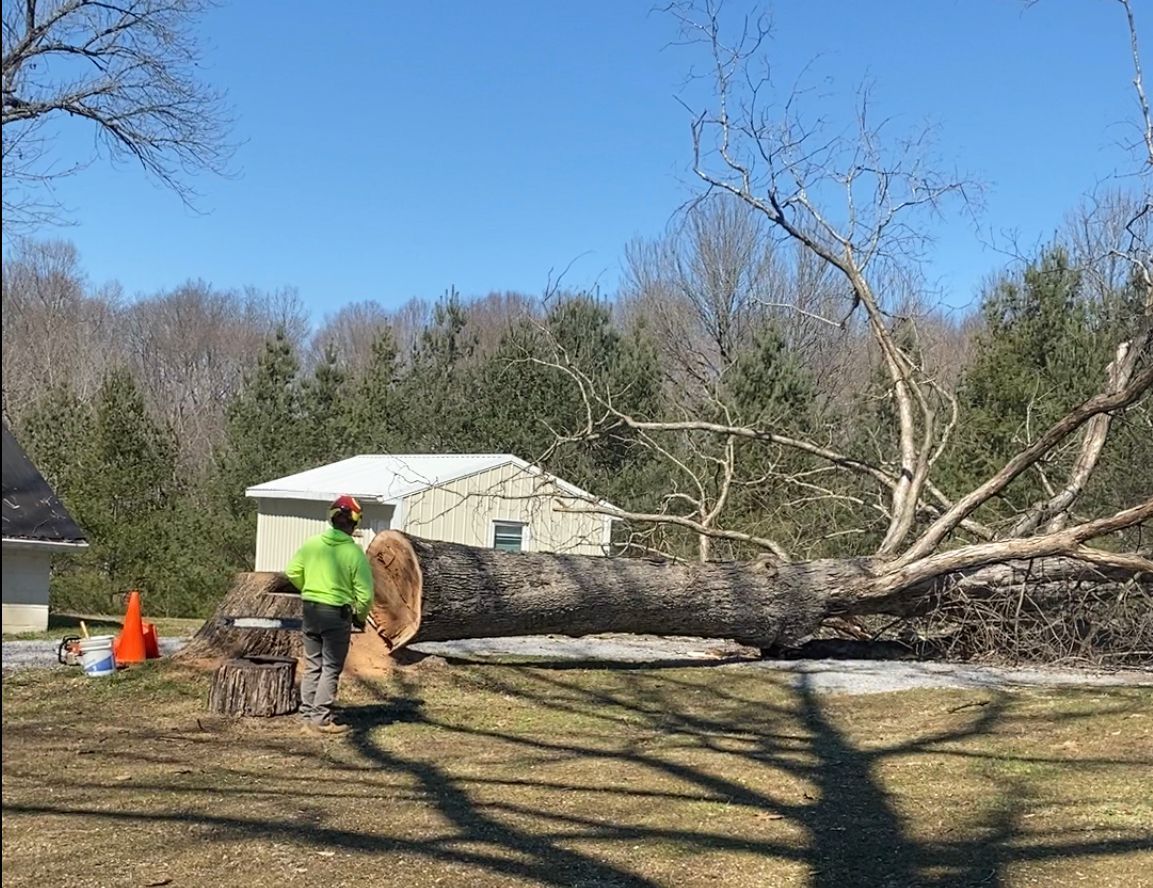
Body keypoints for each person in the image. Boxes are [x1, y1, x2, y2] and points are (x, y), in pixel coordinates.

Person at [285, 494, 374, 734]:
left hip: (311, 611)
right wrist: (360, 616)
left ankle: (306, 716)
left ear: (331, 518)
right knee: (331, 667)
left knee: (313, 664)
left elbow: (292, 571)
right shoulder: (354, 553)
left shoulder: (313, 544)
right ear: (355, 523)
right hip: (336, 614)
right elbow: (365, 595)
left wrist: (309, 587)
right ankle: (320, 719)